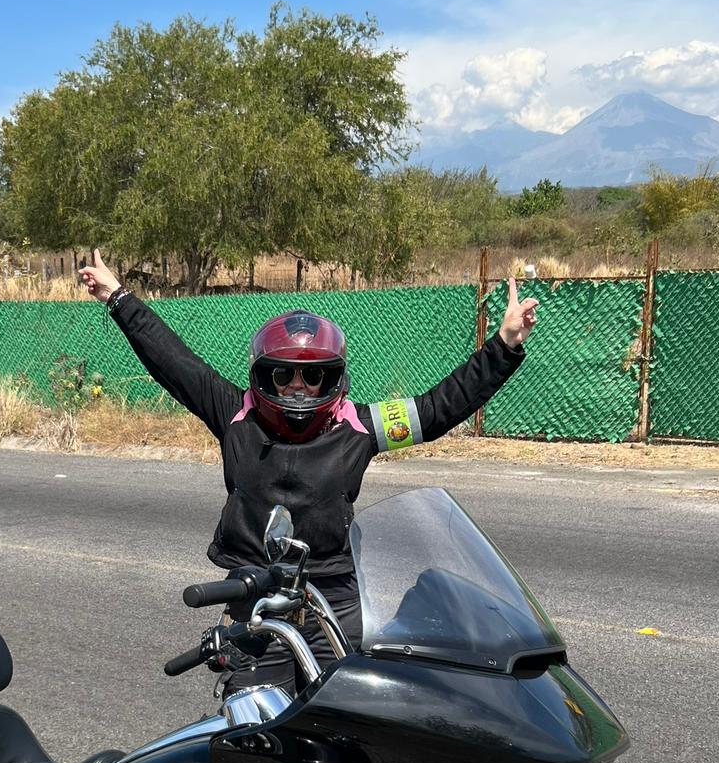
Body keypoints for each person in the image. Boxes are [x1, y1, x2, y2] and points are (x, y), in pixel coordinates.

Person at [78, 251, 540, 691]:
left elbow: (439, 408)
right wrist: (117, 296)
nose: (299, 386)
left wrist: (504, 346)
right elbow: (171, 361)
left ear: (334, 377)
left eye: (314, 375)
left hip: (333, 597)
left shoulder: (359, 426)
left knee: (346, 723)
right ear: (263, 376)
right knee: (254, 726)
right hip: (254, 592)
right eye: (284, 375)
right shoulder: (233, 413)